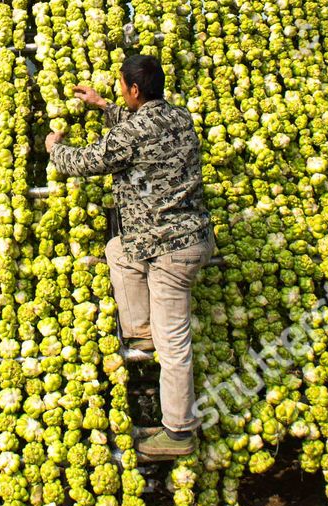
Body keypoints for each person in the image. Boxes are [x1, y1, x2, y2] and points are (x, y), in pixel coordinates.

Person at [44, 53, 217, 461]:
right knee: (118, 251)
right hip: (183, 235)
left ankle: (178, 432)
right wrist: (104, 106)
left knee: (175, 345)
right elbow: (140, 130)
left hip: (171, 252)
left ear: (135, 89)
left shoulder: (134, 132)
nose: (121, 90)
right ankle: (141, 330)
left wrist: (55, 148)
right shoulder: (179, 118)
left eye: (122, 86)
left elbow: (86, 161)